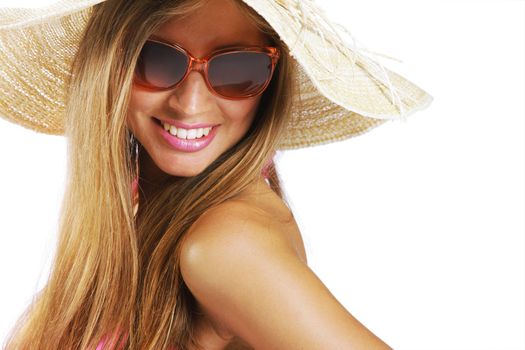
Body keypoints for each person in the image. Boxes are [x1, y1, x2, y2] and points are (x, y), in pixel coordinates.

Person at [0, 0, 433, 349]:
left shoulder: (224, 244)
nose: (190, 104)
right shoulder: (146, 206)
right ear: (111, 63)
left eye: (236, 70)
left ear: (270, 82)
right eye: (157, 60)